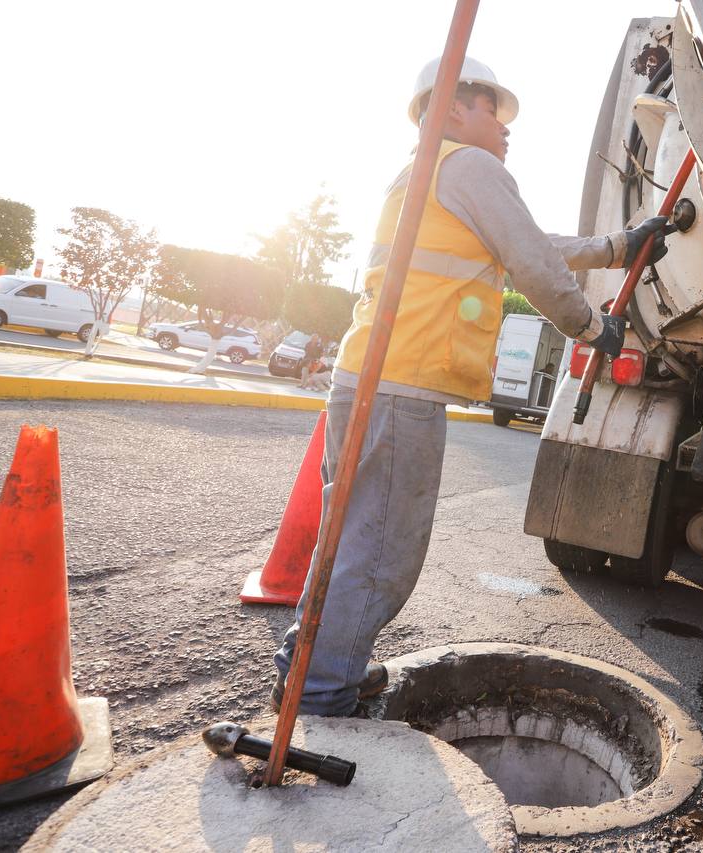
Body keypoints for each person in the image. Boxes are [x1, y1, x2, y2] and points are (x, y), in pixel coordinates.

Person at [271, 56, 675, 716]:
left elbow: (522, 241)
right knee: (381, 554)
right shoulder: (472, 167)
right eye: (494, 109)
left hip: (365, 377)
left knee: (347, 537)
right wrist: (589, 324)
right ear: (454, 108)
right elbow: (531, 260)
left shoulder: (421, 174)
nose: (506, 127)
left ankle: (308, 663)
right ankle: (320, 698)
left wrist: (615, 246)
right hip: (404, 386)